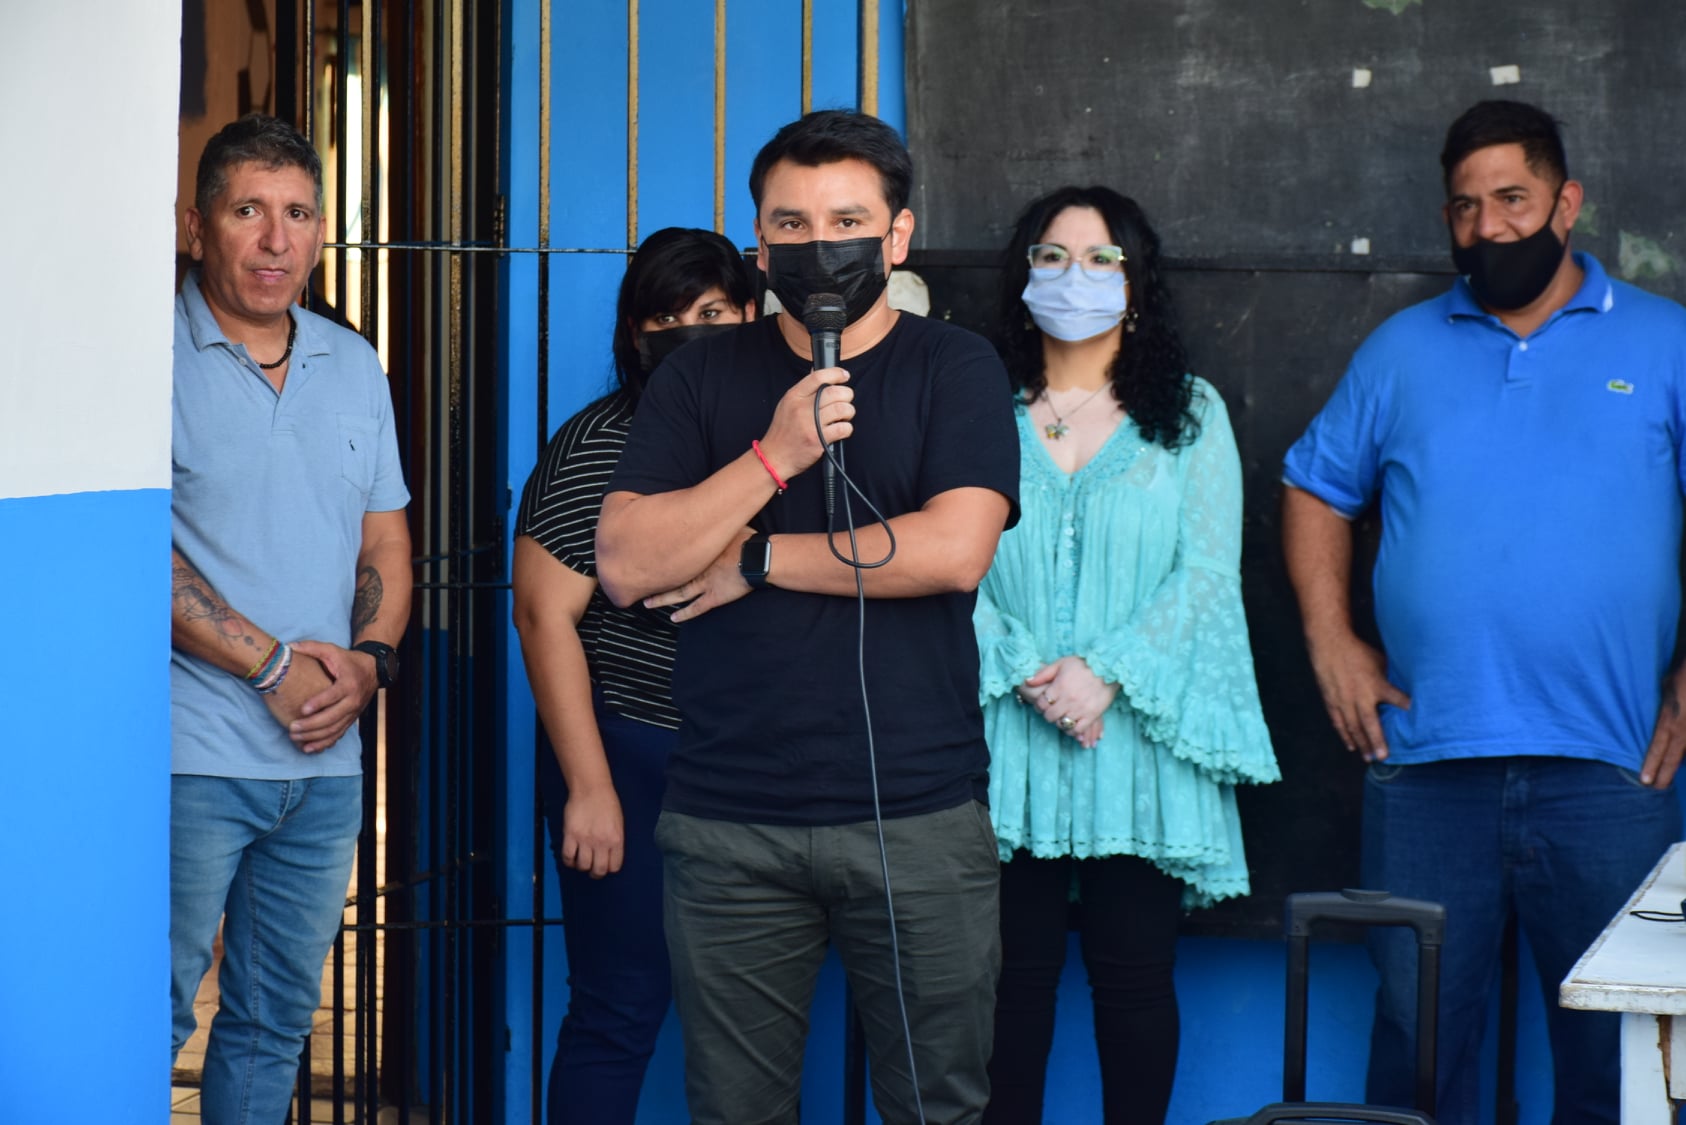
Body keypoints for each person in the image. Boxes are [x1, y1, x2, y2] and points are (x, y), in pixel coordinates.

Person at [595, 109, 1020, 1125]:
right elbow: (625, 564)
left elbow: (954, 549)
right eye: (791, 224)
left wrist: (756, 559)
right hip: (729, 820)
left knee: (937, 1107)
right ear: (760, 243)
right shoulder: (699, 374)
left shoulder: (956, 366)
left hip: (916, 815)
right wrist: (774, 456)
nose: (818, 246)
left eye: (846, 221)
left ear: (897, 236)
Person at [1282, 99, 1686, 1121]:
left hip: (1612, 769)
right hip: (1426, 766)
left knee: (1622, 1059)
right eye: (1466, 207)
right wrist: (1331, 640)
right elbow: (1315, 488)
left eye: (1513, 199)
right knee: (1416, 1049)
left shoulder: (1667, 341)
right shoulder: (1399, 350)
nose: (1490, 227)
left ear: (1566, 201)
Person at [975, 186, 1278, 1124]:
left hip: (1137, 738)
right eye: (1053, 256)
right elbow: (940, 560)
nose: (1076, 276)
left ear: (1137, 283)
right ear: (1024, 276)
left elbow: (1207, 572)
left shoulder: (1188, 413)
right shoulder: (976, 403)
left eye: (1102, 258)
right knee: (1007, 982)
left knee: (1135, 978)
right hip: (1003, 739)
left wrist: (1106, 669)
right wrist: (1023, 664)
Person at [169, 114, 412, 1123]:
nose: (277, 240)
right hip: (186, 759)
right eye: (248, 211)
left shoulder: (352, 364)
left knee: (272, 1027)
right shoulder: (142, 360)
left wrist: (370, 663)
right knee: (145, 1014)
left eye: (299, 214)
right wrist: (271, 667)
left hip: (323, 769)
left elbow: (386, 546)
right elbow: (131, 555)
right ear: (196, 225)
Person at [511, 227, 757, 1124]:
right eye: (666, 317)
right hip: (632, 752)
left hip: (761, 763)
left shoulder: (787, 438)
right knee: (619, 1005)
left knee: (755, 1016)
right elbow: (542, 615)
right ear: (633, 332)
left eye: (713, 314)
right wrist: (590, 787)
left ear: (753, 315)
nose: (690, 333)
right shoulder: (599, 444)